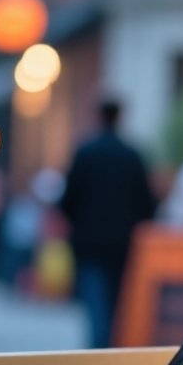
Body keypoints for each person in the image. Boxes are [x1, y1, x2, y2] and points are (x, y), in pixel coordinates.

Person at [58, 98, 157, 348]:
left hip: (89, 242)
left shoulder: (85, 153)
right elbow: (147, 203)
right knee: (116, 301)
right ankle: (111, 347)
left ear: (99, 116)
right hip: (123, 242)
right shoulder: (132, 155)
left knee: (95, 302)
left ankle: (98, 350)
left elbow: (68, 199)